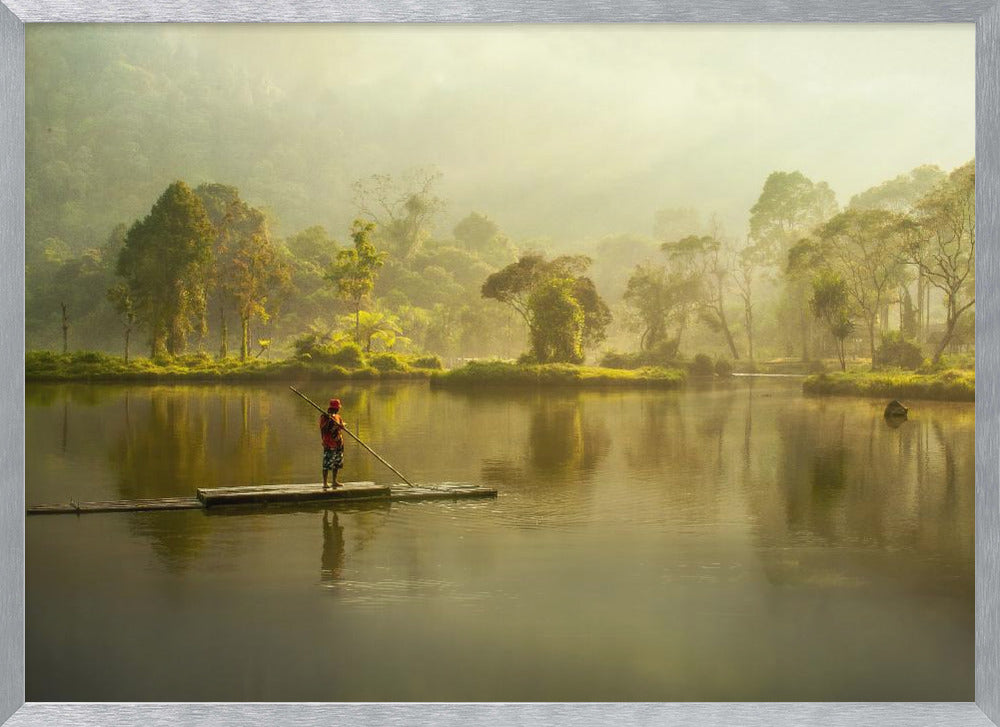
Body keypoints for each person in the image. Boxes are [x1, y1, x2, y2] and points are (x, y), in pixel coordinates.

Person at [320, 398, 346, 489]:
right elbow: (323, 429)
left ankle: (334, 481)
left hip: (338, 442)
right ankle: (325, 483)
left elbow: (342, 425)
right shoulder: (324, 417)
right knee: (327, 464)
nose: (338, 409)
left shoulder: (338, 416)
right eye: (337, 408)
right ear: (333, 408)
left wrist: (341, 425)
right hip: (329, 443)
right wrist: (329, 420)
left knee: (337, 463)